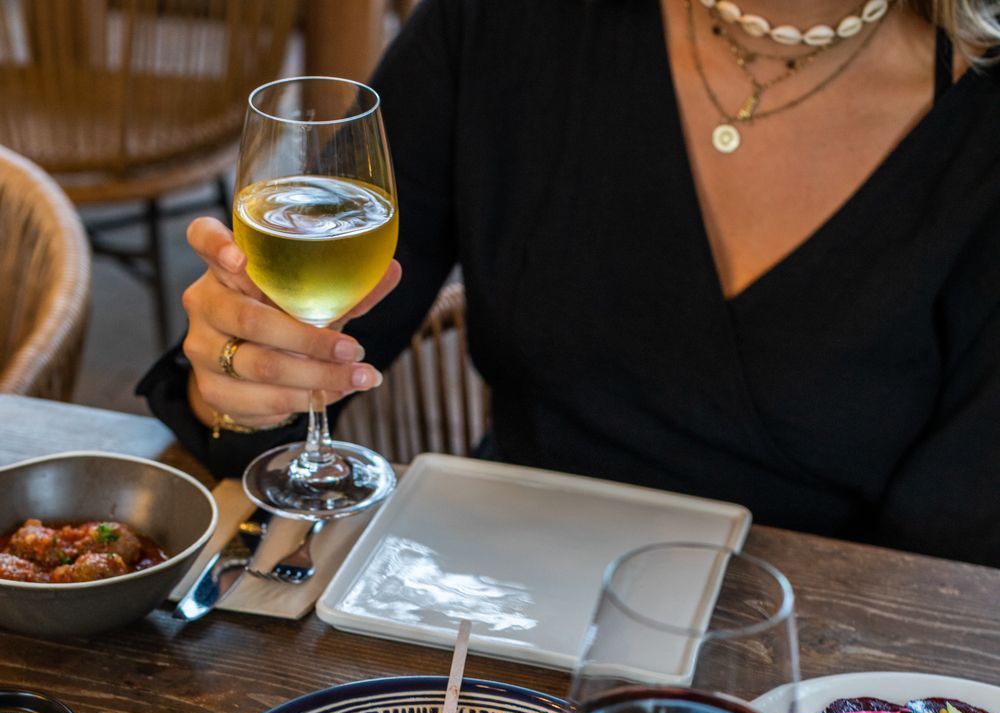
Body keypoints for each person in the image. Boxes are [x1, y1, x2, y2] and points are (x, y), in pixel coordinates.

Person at [139, 0, 1000, 565]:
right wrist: (239, 380)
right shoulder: (506, 21)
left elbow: (960, 561)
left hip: (821, 684)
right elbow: (306, 362)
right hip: (485, 608)